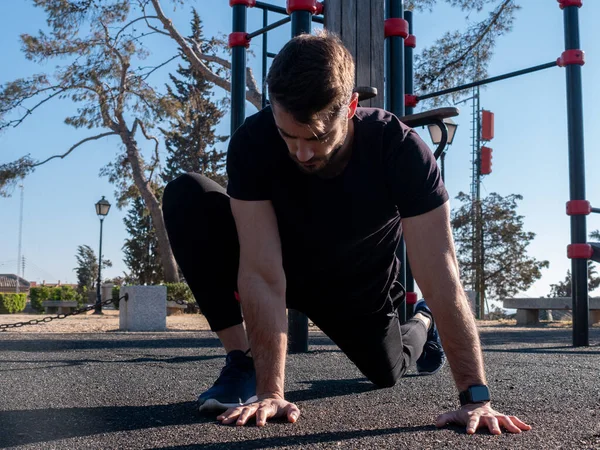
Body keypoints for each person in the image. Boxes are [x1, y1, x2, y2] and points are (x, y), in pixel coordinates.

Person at [162, 31, 532, 435]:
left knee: (386, 371)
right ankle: (242, 364)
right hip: (282, 262)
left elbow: (441, 273)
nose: (301, 152)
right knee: (189, 195)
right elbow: (261, 272)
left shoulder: (401, 151)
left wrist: (475, 396)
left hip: (355, 287)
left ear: (351, 106)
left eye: (317, 137)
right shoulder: (253, 141)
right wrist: (271, 392)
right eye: (289, 136)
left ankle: (421, 323)